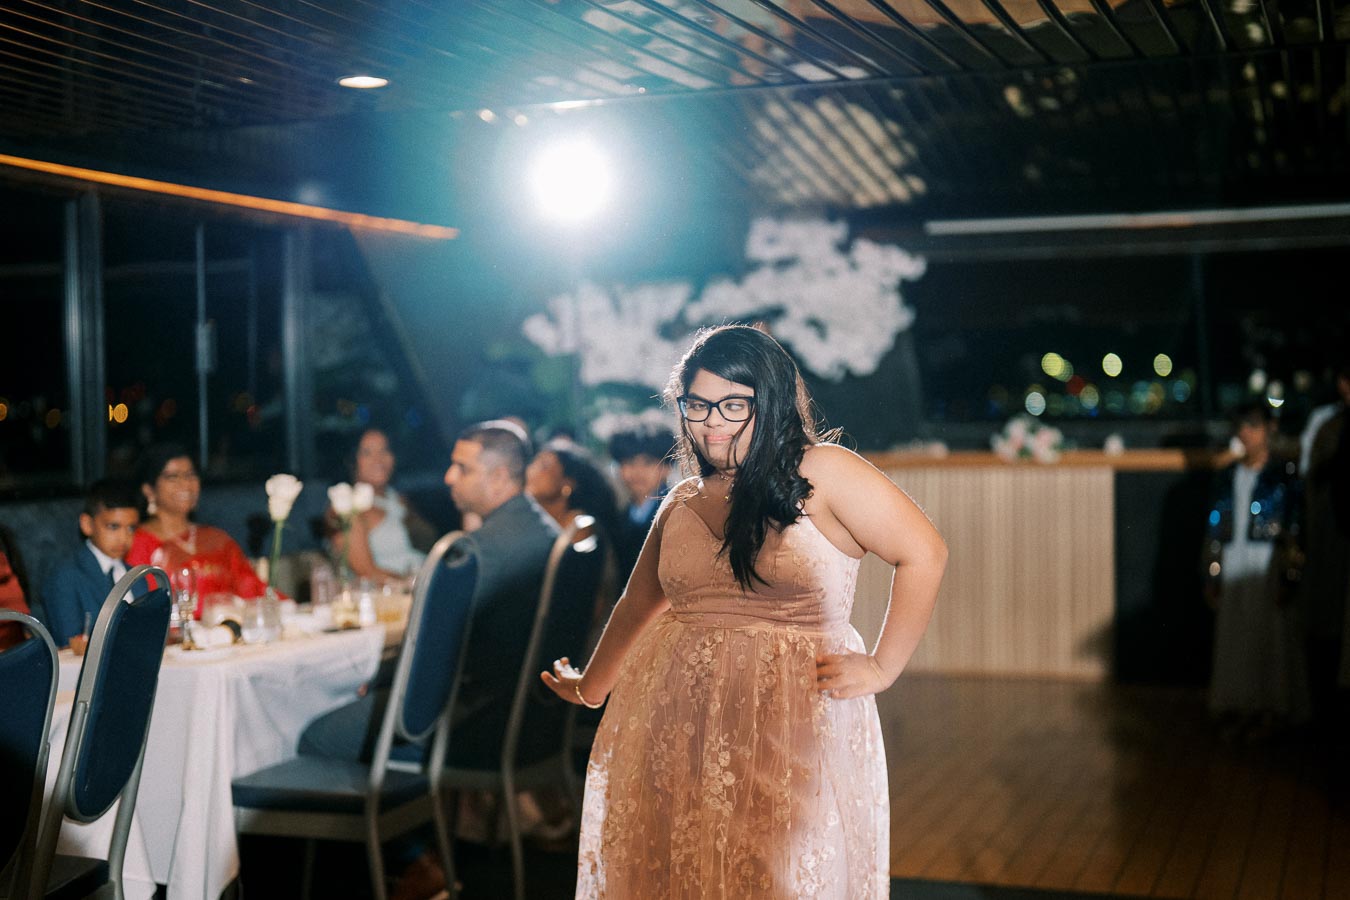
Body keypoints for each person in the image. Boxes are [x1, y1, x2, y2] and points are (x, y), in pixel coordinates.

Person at [540, 325, 947, 898]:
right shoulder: (679, 502)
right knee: (680, 870)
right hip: (676, 721)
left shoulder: (822, 470)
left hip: (794, 721)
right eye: (698, 405)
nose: (711, 422)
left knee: (778, 875)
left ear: (771, 403)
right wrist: (593, 687)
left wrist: (882, 667)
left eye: (733, 405)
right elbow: (639, 604)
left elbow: (924, 552)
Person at [297, 419, 559, 762]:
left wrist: (378, 677)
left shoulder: (476, 556)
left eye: (462, 469)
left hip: (468, 725)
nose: (448, 477)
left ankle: (393, 812)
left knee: (314, 738)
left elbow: (432, 653)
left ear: (498, 478)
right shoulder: (550, 534)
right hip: (537, 718)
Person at [1203, 400, 1310, 738]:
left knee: (1271, 636)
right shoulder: (1227, 476)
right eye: (1242, 425)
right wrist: (1213, 571)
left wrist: (1290, 576)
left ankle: (1271, 707)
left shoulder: (1282, 477)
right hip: (1236, 561)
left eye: (1253, 425)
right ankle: (1239, 704)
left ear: (1268, 428)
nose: (1246, 433)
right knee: (1236, 636)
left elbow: (1294, 530)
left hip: (1266, 563)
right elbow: (1215, 528)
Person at [126, 444, 271, 611]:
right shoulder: (137, 543)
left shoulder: (218, 540)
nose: (186, 484)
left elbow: (254, 590)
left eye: (190, 475)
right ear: (149, 490)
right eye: (172, 477)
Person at [38, 479, 141, 648]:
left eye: (131, 528)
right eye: (113, 527)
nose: (124, 538)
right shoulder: (65, 577)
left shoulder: (136, 576)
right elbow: (69, 643)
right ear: (87, 524)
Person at [329, 428, 431, 584]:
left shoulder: (397, 498)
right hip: (393, 594)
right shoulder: (346, 507)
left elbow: (427, 541)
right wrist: (416, 583)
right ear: (352, 461)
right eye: (367, 453)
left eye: (384, 450)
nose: (379, 459)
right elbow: (366, 573)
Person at [607, 426, 675, 580]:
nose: (638, 471)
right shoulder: (619, 517)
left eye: (648, 462)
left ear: (667, 467)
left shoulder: (675, 511)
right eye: (629, 462)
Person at [525, 438, 622, 542]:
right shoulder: (531, 520)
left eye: (544, 466)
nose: (531, 471)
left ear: (567, 484)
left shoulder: (580, 530)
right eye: (534, 462)